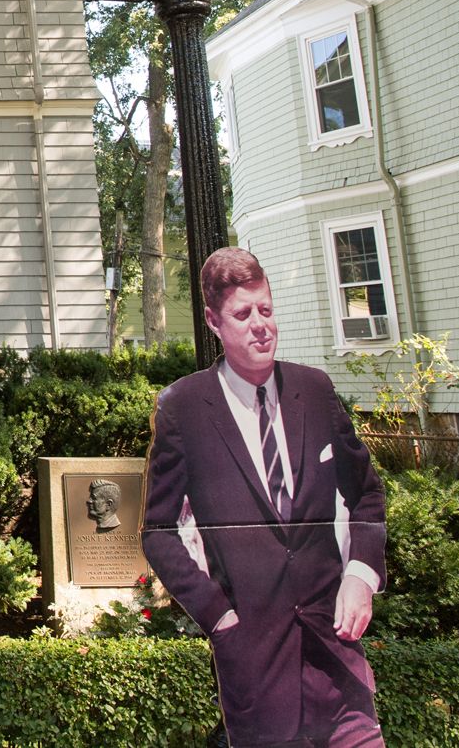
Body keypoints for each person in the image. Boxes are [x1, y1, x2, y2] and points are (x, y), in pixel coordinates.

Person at [141, 247, 387, 748]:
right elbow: (158, 532)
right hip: (255, 669)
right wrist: (218, 616)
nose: (260, 326)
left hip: (337, 657)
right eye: (243, 314)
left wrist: (361, 576)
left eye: (267, 310)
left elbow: (366, 495)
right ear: (213, 320)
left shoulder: (315, 390)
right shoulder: (183, 408)